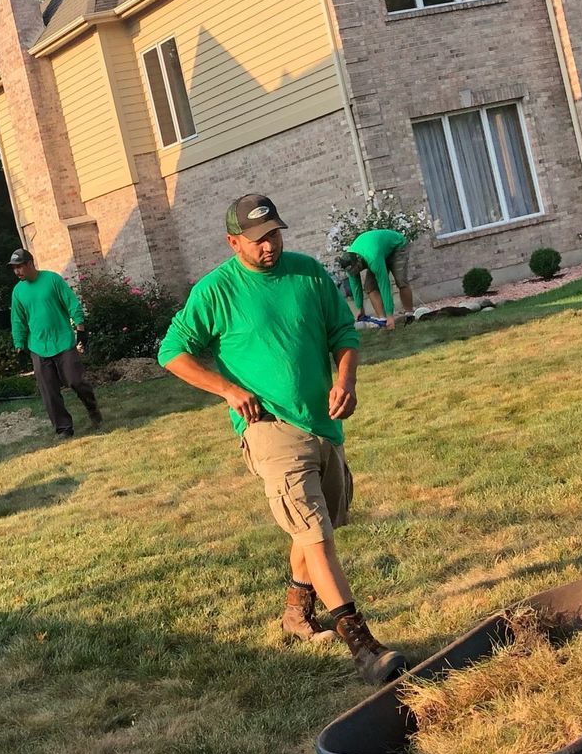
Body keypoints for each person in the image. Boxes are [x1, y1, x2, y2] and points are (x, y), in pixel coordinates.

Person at [158, 194, 406, 684]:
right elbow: (172, 352)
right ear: (234, 243)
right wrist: (229, 390)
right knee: (315, 532)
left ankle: (296, 613)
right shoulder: (216, 291)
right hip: (268, 428)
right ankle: (362, 644)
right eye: (256, 240)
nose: (268, 246)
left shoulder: (308, 274)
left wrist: (346, 380)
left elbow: (344, 334)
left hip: (323, 423)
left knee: (316, 526)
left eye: (273, 234)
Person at [9, 248, 102, 437]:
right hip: (38, 346)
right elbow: (17, 320)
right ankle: (64, 429)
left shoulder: (52, 279)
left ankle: (92, 407)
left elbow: (72, 303)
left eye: (19, 267)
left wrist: (80, 327)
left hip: (63, 341)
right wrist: (19, 346)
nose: (17, 271)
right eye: (14, 268)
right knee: (49, 391)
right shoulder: (18, 292)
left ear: (29, 264)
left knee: (75, 381)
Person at [338, 226, 415, 328]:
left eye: (355, 269)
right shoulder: (349, 262)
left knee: (401, 281)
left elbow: (384, 285)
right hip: (378, 248)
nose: (354, 272)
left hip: (397, 246)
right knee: (370, 287)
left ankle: (409, 314)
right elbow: (356, 288)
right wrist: (360, 310)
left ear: (358, 261)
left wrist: (390, 315)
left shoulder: (372, 258)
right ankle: (382, 319)